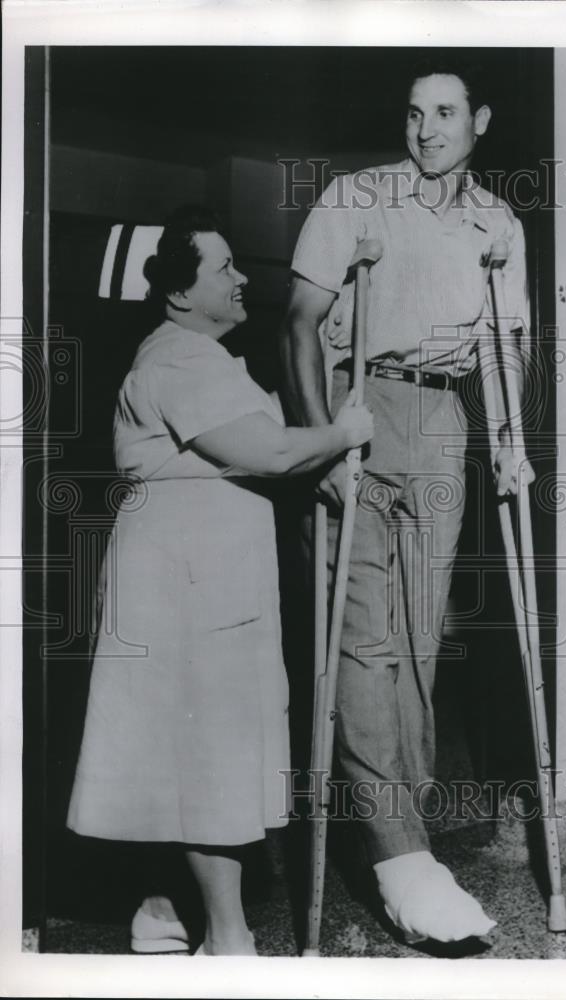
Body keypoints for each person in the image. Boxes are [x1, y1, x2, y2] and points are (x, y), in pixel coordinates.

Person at [67, 206, 373, 956]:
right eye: (224, 268)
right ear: (179, 295)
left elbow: (271, 455)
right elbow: (266, 452)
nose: (243, 280)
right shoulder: (180, 361)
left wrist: (321, 464)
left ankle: (159, 909)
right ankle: (229, 941)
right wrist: (343, 432)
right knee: (206, 757)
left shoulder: (196, 358)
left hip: (189, 575)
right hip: (189, 584)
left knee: (170, 749)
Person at [280, 59, 530, 944]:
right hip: (360, 405)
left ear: (479, 121)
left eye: (445, 113)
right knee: (363, 644)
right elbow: (299, 325)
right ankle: (399, 858)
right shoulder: (355, 197)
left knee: (420, 642)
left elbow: (507, 348)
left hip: (443, 421)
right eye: (414, 113)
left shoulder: (495, 223)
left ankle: (407, 836)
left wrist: (509, 442)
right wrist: (323, 446)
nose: (425, 129)